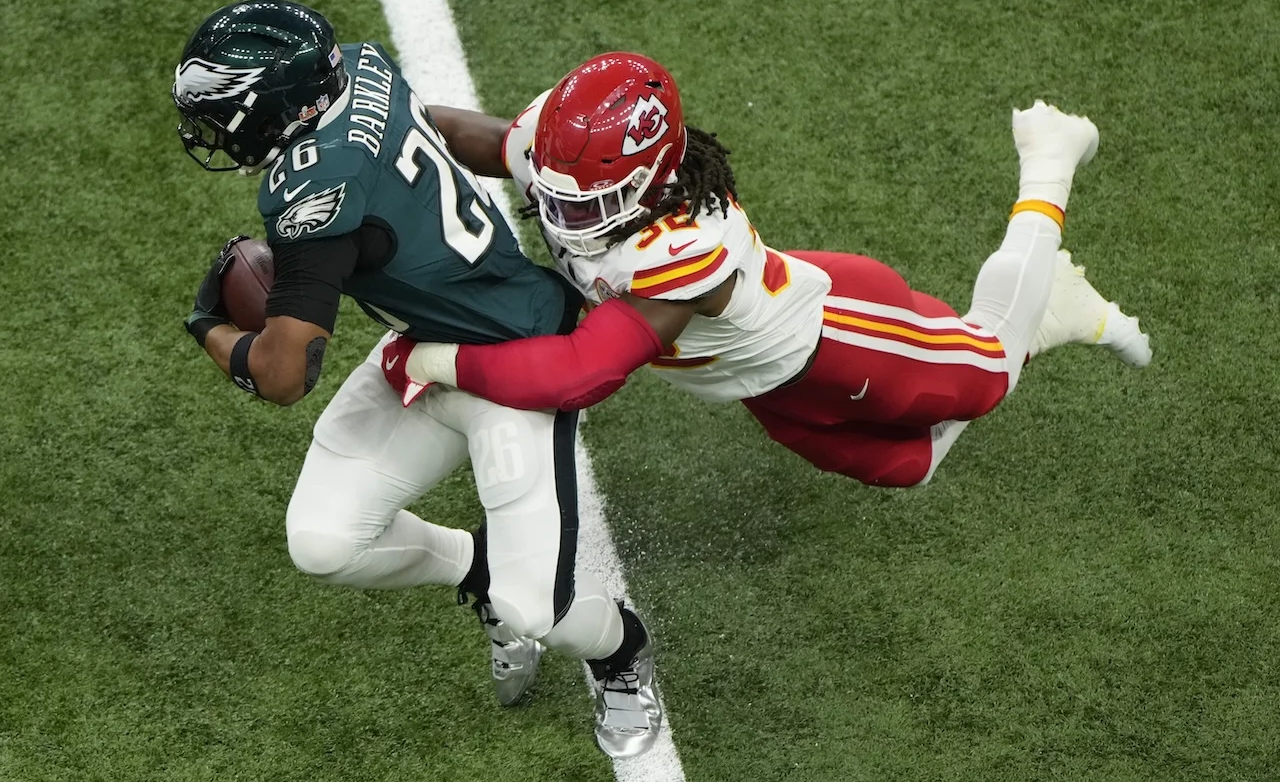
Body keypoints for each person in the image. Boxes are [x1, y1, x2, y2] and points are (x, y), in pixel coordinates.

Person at [173, 3, 661, 759]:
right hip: (425, 346)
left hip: (516, 358)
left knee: (536, 608)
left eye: (220, 115)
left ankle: (621, 651)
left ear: (270, 107)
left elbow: (284, 374)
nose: (212, 132)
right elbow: (426, 123)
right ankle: (480, 565)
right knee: (323, 540)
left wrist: (209, 324)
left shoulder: (313, 190)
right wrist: (522, 150)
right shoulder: (361, 65)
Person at [385, 53, 1152, 487]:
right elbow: (455, 133)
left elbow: (581, 373)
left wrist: (429, 356)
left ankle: (1048, 164)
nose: (563, 214)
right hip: (761, 379)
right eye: (555, 191)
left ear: (653, 179)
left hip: (838, 336)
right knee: (906, 466)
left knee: (986, 372)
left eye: (593, 200)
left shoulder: (680, 249)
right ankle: (1049, 307)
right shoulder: (567, 153)